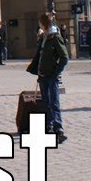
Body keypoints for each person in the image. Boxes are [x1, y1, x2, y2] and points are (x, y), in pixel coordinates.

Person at [26, 12, 69, 144]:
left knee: (54, 102)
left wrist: (55, 72)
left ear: (44, 24)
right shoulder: (44, 37)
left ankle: (58, 128)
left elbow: (64, 57)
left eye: (40, 22)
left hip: (51, 76)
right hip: (43, 75)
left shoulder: (54, 37)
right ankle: (48, 127)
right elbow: (40, 56)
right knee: (45, 102)